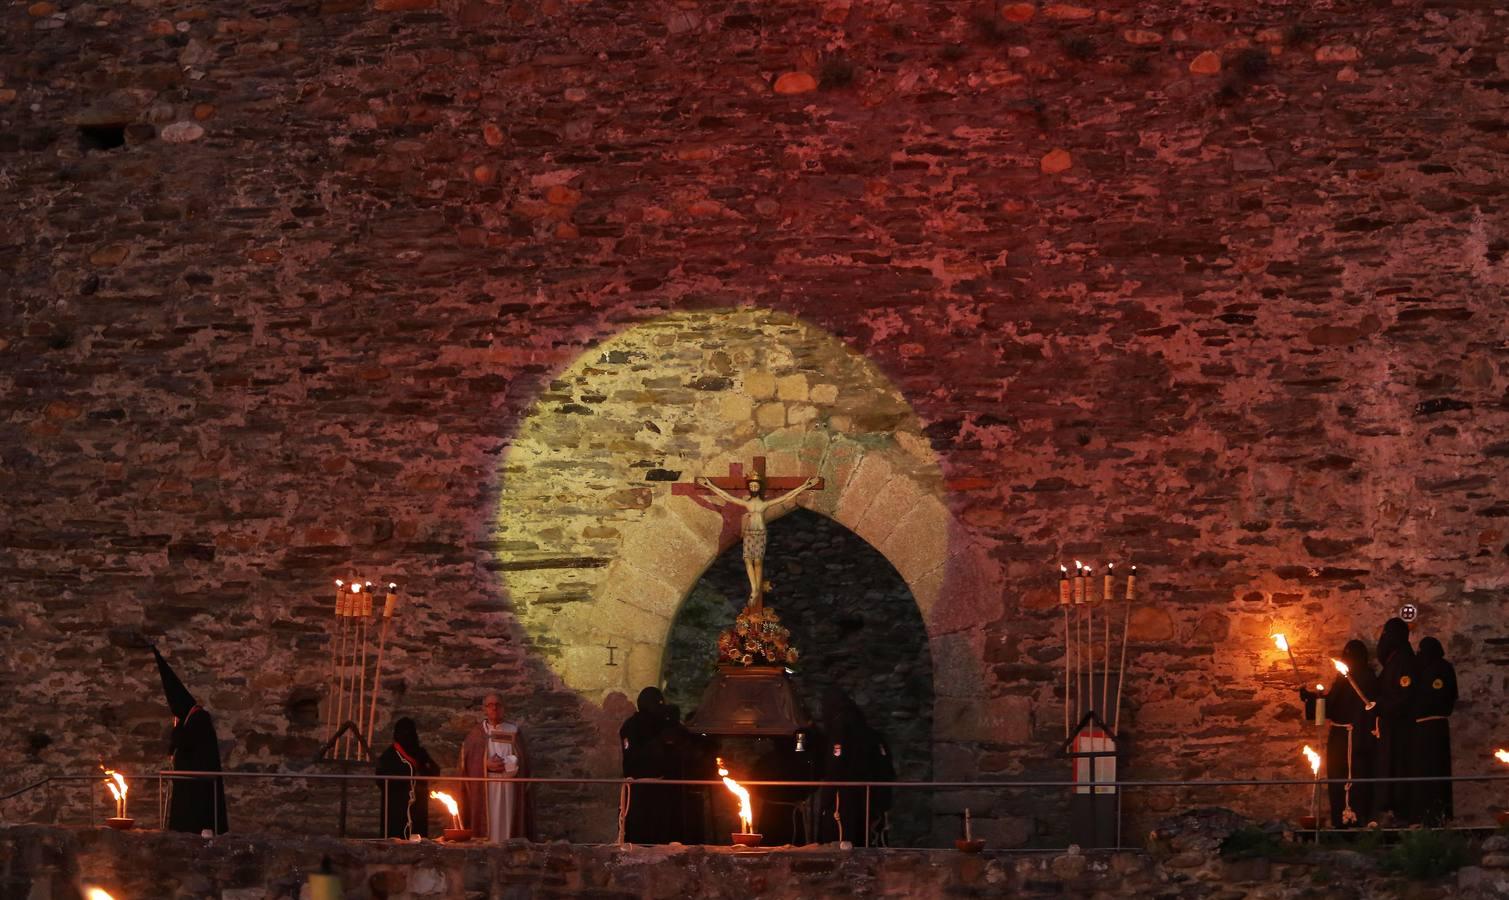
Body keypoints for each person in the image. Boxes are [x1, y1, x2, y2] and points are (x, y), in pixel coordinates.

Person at [695, 474, 820, 605]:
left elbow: (787, 497)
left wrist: (805, 486)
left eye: (756, 485)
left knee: (758, 562)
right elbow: (727, 497)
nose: (754, 487)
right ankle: (754, 589)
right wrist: (709, 485)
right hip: (749, 533)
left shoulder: (765, 504)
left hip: (760, 533)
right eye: (752, 485)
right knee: (748, 561)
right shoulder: (747, 503)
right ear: (750, 488)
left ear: (759, 488)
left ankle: (756, 590)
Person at [1300, 639, 1377, 827]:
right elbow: (1332, 705)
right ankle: (1340, 823)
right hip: (1340, 738)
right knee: (1337, 779)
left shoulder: (1368, 678)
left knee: (1358, 780)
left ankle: (1358, 822)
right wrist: (1312, 698)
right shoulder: (1343, 678)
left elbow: (1369, 707)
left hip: (1358, 738)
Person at [152, 645, 228, 834]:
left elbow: (184, 742)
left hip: (198, 785)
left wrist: (177, 729)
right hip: (189, 783)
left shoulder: (199, 718)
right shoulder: (190, 718)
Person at [458, 694, 531, 841]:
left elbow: (525, 761)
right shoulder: (476, 734)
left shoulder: (514, 731)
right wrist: (484, 764)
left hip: (509, 785)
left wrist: (512, 762)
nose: (494, 708)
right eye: (490, 705)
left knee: (507, 819)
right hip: (487, 785)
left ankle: (509, 848)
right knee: (491, 821)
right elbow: (466, 762)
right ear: (485, 709)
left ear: (504, 708)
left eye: (498, 704)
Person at [1372, 617, 1419, 824]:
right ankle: (1391, 808)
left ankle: (1402, 812)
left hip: (1401, 726)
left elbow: (1404, 695)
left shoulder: (1404, 661)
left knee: (1400, 765)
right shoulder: (1394, 660)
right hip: (1391, 725)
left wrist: (1383, 706)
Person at [1410, 636, 1458, 825]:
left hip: (1431, 728)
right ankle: (1433, 814)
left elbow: (1437, 697)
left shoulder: (1438, 670)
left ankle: (1435, 815)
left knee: (1434, 770)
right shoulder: (1437, 668)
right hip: (1430, 727)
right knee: (1428, 770)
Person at [619, 687, 674, 843]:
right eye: (658, 704)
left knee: (658, 831)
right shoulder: (632, 726)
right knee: (640, 831)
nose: (661, 708)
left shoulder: (662, 724)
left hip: (659, 786)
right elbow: (634, 757)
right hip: (640, 787)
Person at [376, 717, 440, 839]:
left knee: (417, 835)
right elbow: (380, 780)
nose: (407, 735)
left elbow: (434, 771)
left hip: (418, 804)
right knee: (396, 836)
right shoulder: (389, 755)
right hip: (396, 805)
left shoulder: (420, 753)